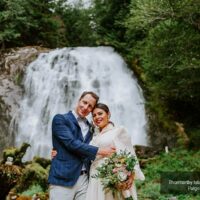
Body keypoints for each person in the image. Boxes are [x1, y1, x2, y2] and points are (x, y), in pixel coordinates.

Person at [48, 92, 116, 200]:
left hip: (86, 180)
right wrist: (100, 151)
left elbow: (105, 135)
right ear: (79, 100)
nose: (85, 107)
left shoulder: (92, 127)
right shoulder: (60, 119)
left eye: (90, 106)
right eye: (84, 102)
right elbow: (71, 143)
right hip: (63, 178)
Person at [85, 103, 145, 200]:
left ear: (108, 114)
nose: (97, 117)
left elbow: (130, 155)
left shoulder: (118, 131)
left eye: (100, 114)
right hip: (95, 177)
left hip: (112, 176)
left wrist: (130, 176)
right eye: (94, 115)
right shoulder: (94, 136)